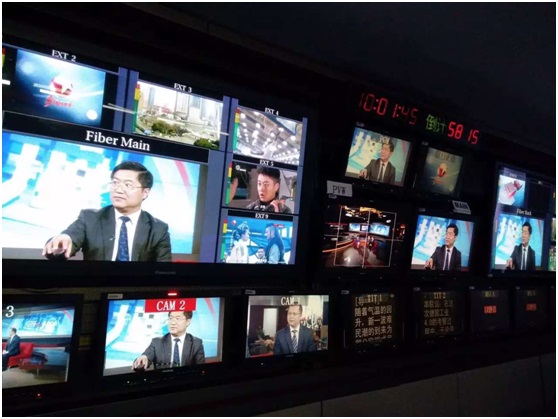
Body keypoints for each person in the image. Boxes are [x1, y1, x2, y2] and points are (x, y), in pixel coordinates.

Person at [42, 161, 171, 262]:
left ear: (145, 192)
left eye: (128, 185)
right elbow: (70, 237)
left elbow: (163, 271)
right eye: (115, 183)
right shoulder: (90, 218)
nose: (118, 190)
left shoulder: (158, 229)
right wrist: (60, 243)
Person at [132, 311, 205, 370]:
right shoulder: (157, 342)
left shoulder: (196, 343)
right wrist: (143, 358)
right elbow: (146, 356)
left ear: (188, 322)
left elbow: (201, 369)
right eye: (170, 318)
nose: (172, 323)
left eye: (178, 319)